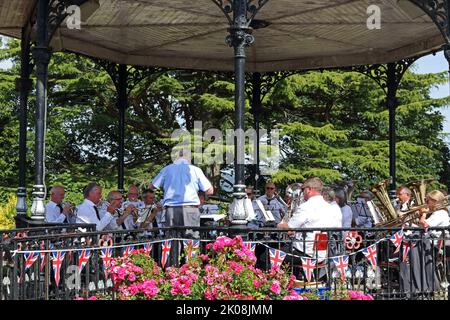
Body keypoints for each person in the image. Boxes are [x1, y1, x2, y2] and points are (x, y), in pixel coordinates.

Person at [149, 150, 213, 237]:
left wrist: (156, 201)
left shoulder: (167, 169)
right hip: (190, 209)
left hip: (171, 210)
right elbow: (210, 190)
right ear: (189, 158)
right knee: (190, 242)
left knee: (173, 241)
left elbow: (151, 186)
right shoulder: (195, 170)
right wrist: (199, 194)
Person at [278, 177, 337, 267]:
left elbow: (289, 229)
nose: (302, 192)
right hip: (322, 254)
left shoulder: (306, 207)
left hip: (304, 253)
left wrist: (278, 225)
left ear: (309, 189)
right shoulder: (330, 207)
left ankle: (277, 280)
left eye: (303, 189)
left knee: (266, 256)